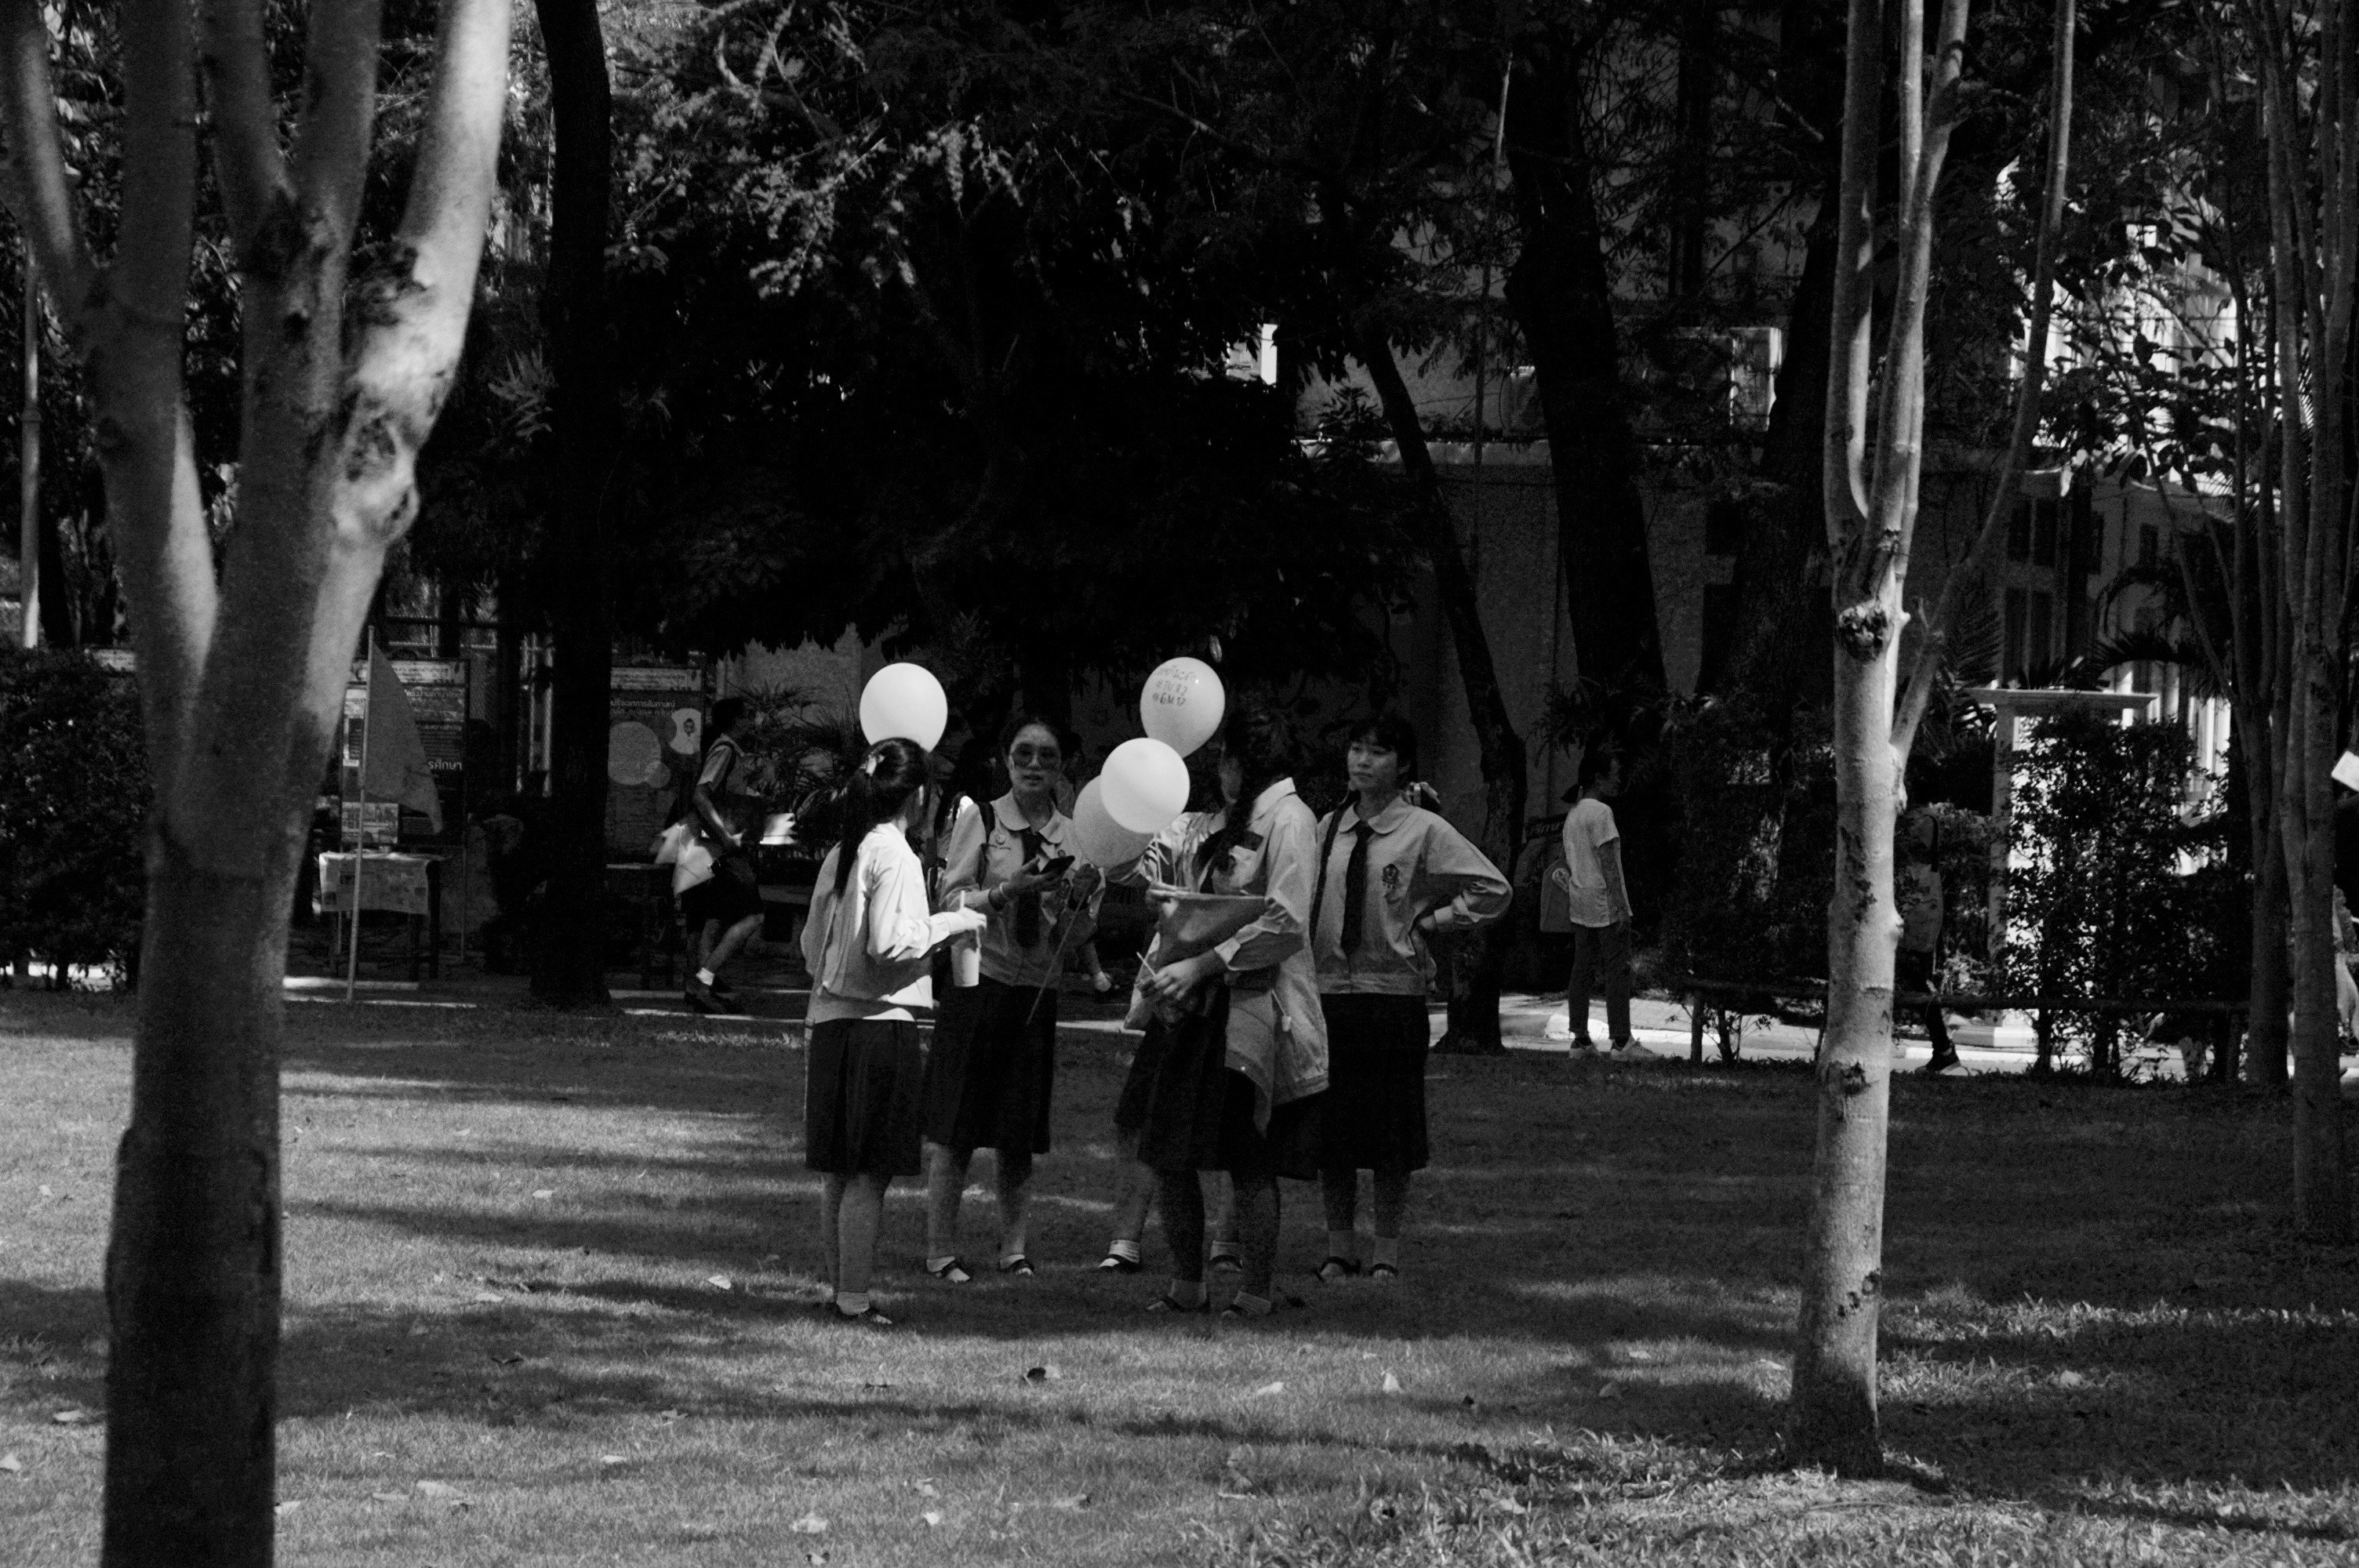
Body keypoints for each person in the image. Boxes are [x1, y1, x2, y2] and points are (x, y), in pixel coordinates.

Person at [1131, 698, 1329, 1319]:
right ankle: (1187, 1284)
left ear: (1246, 763)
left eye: (1229, 760)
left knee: (1248, 1155)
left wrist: (1201, 964)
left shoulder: (1290, 821)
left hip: (1251, 1008)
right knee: (1168, 1149)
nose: (1222, 771)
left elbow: (1285, 922)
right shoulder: (1217, 821)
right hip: (1189, 1007)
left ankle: (1254, 1290)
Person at [1310, 714, 1510, 1283]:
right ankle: (1337, 1247)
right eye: (1354, 749)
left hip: (1392, 994)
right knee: (1335, 1131)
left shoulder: (1422, 829)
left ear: (1402, 764)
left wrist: (1437, 920)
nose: (1362, 761)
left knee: (1391, 1130)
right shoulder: (1328, 827)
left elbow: (1493, 888)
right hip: (1330, 993)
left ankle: (1386, 1251)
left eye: (1376, 752)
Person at [801, 739, 989, 1326]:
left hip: (830, 1022)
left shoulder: (844, 851)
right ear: (919, 795)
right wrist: (952, 923)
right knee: (867, 1174)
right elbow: (890, 943)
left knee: (839, 1172)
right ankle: (854, 1299)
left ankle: (840, 1292)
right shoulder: (896, 855)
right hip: (877, 1027)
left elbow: (810, 947)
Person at [921, 717, 1102, 1281]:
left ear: (1061, 767)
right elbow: (949, 902)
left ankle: (1014, 1247)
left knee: (1018, 1129)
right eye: (1022, 754)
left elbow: (1075, 937)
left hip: (1035, 992)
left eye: (1046, 757)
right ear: (1005, 759)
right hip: (980, 982)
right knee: (957, 1125)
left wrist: (1078, 903)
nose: (1033, 766)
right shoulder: (983, 817)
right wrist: (1005, 891)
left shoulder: (1076, 837)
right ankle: (939, 1251)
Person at [1558, 746, 1642, 1060]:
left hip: (1580, 902)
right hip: (1605, 902)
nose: (1619, 779)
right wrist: (1622, 906)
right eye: (1615, 774)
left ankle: (1580, 1040)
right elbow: (1609, 863)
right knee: (1617, 970)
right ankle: (1621, 1041)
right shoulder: (1601, 813)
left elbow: (1569, 862)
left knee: (1582, 971)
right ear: (1599, 777)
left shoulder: (1574, 815)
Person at [682, 696, 765, 1016]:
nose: (753, 722)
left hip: (718, 848)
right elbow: (701, 794)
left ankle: (701, 984)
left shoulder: (731, 751)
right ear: (736, 720)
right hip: (724, 849)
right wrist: (725, 836)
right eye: (749, 716)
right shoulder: (725, 750)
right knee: (753, 915)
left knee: (715, 919)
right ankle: (703, 982)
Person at [1898, 811, 1961, 1074]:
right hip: (1920, 920)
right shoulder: (1926, 873)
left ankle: (1944, 1050)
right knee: (1916, 985)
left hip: (1916, 924)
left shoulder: (1917, 871)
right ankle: (1943, 1050)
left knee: (1916, 985)